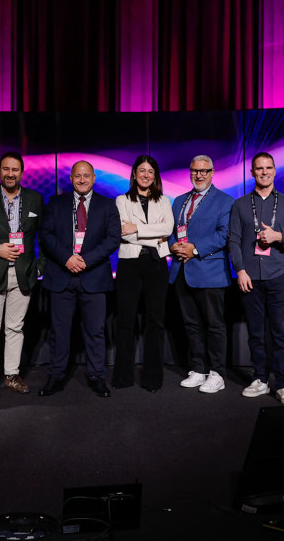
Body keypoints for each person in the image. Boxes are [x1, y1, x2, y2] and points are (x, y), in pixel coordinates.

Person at [38, 161, 121, 397]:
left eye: (86, 176)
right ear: (71, 178)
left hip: (94, 276)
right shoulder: (56, 203)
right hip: (61, 276)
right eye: (77, 176)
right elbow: (46, 235)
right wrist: (67, 258)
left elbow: (113, 238)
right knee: (59, 331)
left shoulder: (107, 205)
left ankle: (97, 377)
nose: (82, 180)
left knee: (96, 331)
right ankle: (56, 376)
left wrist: (85, 260)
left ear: (94, 178)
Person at [229, 152, 284, 405]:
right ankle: (260, 379)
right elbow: (234, 241)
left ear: (274, 171)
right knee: (256, 332)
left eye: (268, 168)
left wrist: (278, 237)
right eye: (259, 168)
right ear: (252, 172)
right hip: (249, 277)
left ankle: (283, 384)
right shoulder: (240, 204)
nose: (264, 172)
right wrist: (240, 270)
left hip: (278, 275)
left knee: (281, 332)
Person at [0, 152, 44, 399]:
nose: (10, 174)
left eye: (15, 170)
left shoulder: (35, 199)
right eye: (6, 169)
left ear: (22, 173)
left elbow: (45, 236)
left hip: (23, 274)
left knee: (15, 328)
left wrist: (40, 267)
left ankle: (12, 375)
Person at [169, 156, 235, 394]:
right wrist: (173, 245)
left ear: (212, 172)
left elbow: (224, 235)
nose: (199, 175)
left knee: (214, 325)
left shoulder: (225, 201)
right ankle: (198, 368)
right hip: (182, 271)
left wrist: (194, 249)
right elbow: (172, 231)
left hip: (210, 272)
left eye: (204, 171)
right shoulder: (179, 201)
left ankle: (217, 373)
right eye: (195, 171)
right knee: (191, 324)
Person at [113, 155, 174, 392]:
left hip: (157, 264)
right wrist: (154, 235)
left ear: (155, 176)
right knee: (125, 321)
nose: (146, 175)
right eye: (142, 170)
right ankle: (123, 377)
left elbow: (168, 228)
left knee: (155, 321)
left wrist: (137, 228)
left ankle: (152, 378)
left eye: (150, 171)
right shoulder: (122, 200)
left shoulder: (164, 200)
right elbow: (123, 232)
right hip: (129, 264)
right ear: (134, 174)